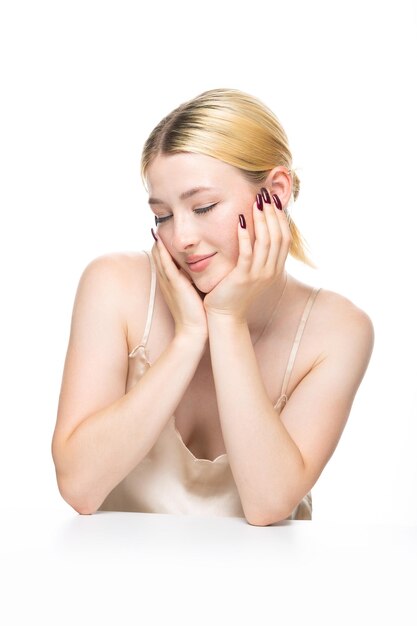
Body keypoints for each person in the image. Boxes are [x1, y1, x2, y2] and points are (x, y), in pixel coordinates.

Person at [51, 88, 374, 525]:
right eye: (163, 215)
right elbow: (79, 487)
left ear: (275, 194)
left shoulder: (337, 330)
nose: (180, 237)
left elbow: (267, 504)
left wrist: (225, 318)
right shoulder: (114, 287)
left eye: (203, 207)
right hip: (117, 582)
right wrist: (188, 338)